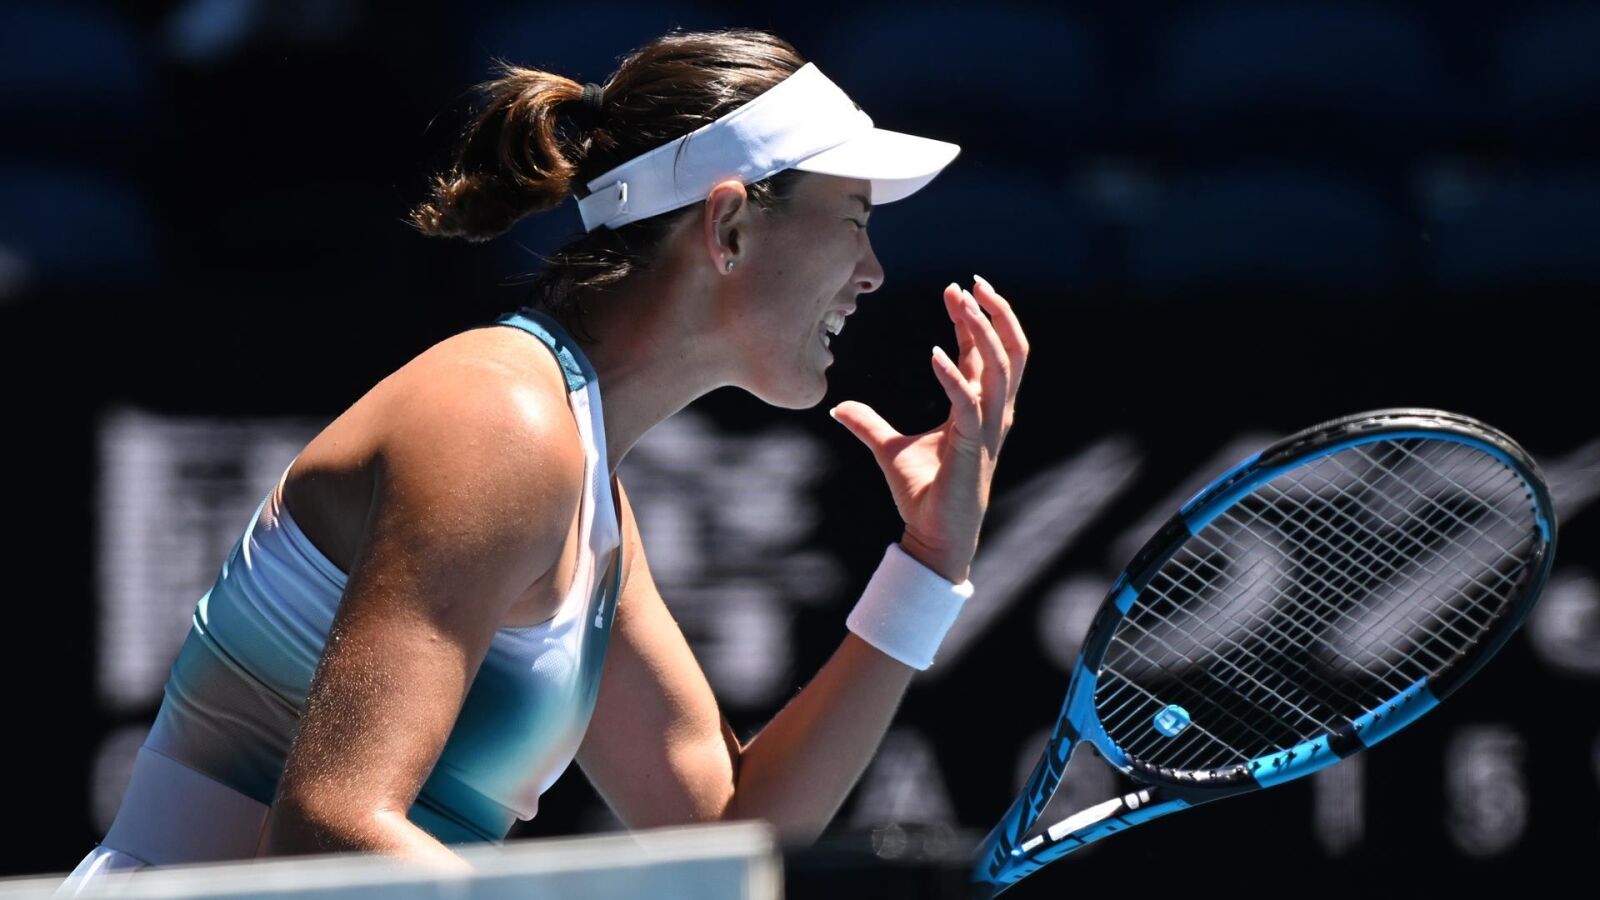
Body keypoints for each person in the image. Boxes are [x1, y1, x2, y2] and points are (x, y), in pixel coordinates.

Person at [63, 26, 1027, 887]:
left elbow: (731, 834)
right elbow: (327, 831)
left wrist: (927, 565)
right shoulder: (498, 422)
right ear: (728, 226)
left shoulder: (580, 478)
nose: (874, 272)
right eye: (854, 218)